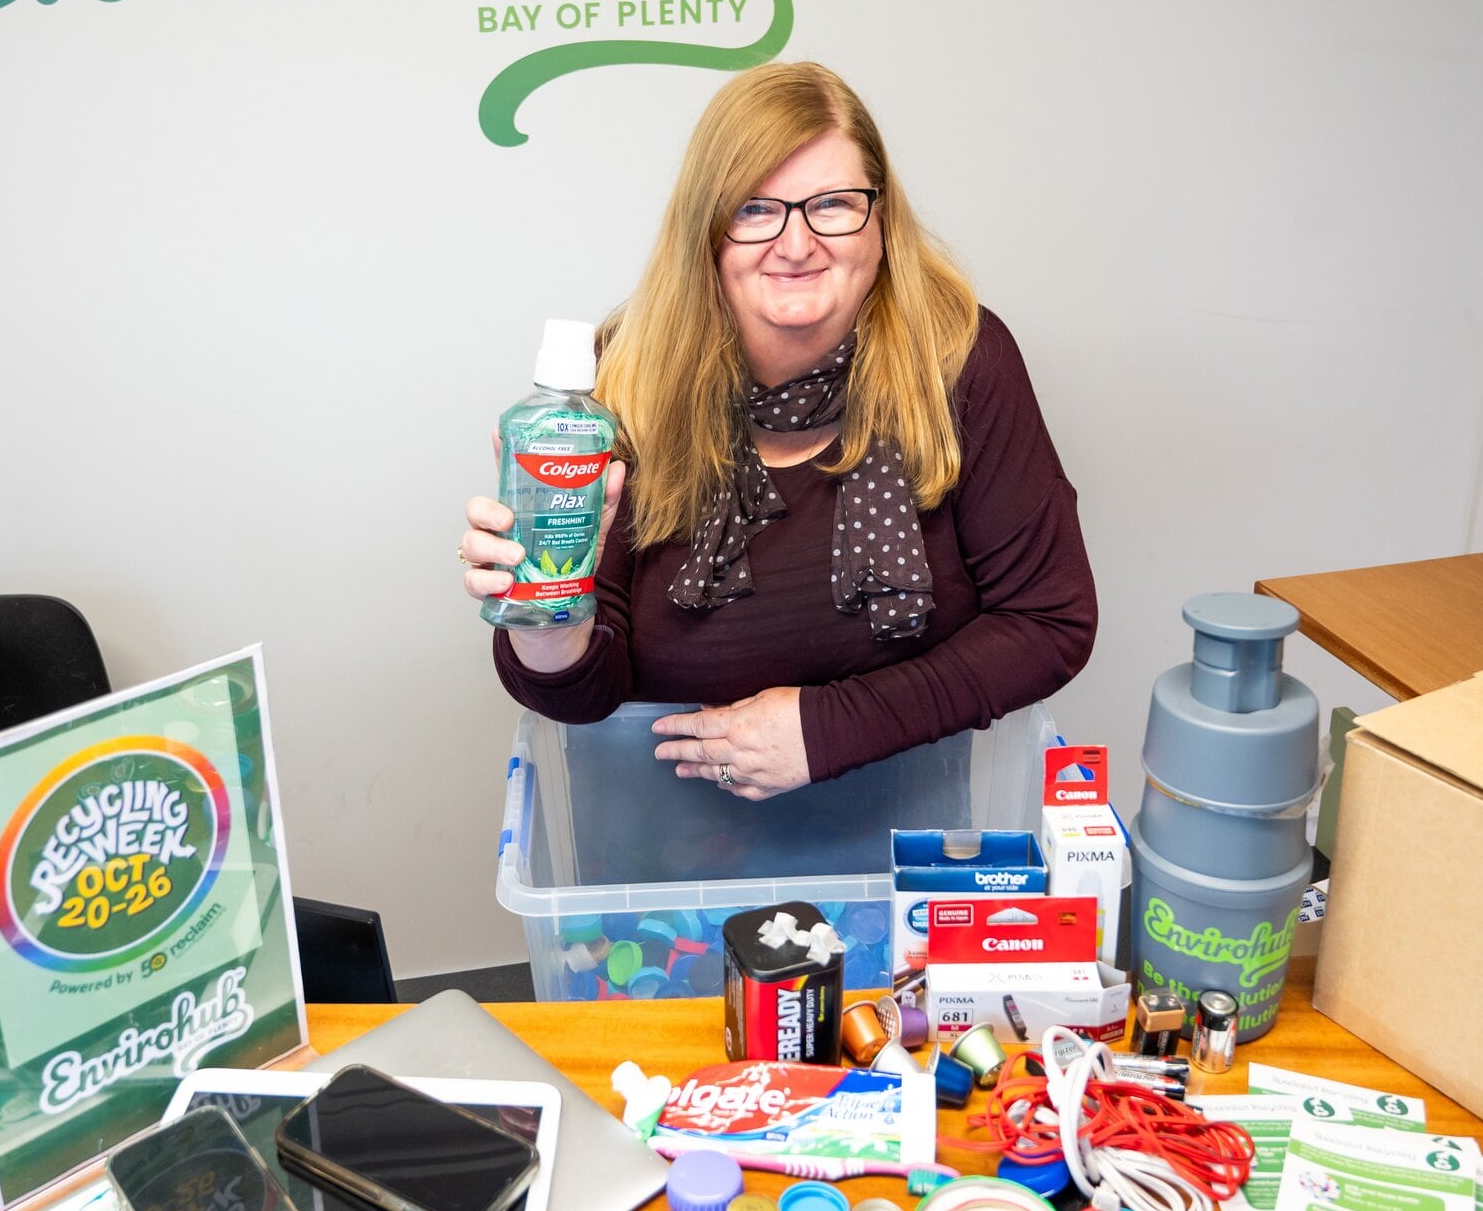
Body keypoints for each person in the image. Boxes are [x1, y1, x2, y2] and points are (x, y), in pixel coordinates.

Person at [458, 62, 1095, 799]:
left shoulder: (960, 362)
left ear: (881, 222)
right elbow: (580, 697)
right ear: (707, 231)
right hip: (665, 869)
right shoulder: (619, 381)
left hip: (911, 853)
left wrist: (827, 731)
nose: (795, 246)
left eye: (832, 204)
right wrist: (544, 623)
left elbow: (1051, 621)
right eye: (755, 209)